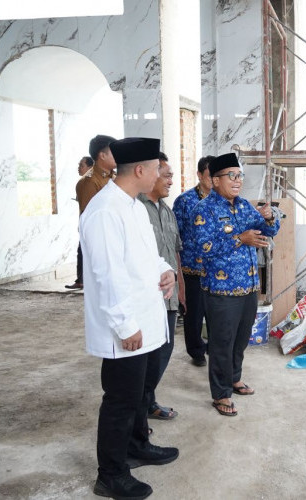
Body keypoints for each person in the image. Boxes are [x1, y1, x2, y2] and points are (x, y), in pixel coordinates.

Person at [80, 137, 178, 500]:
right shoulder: (106, 210)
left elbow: (144, 256)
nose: (160, 174)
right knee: (120, 400)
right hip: (126, 326)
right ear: (140, 170)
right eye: (156, 167)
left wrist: (165, 269)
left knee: (140, 393)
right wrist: (125, 325)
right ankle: (111, 474)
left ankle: (138, 446)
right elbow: (107, 275)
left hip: (145, 318)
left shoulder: (133, 206)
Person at [191, 152, 280, 417]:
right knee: (221, 343)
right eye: (231, 175)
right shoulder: (203, 210)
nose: (237, 180)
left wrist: (268, 218)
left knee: (241, 340)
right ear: (214, 180)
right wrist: (240, 239)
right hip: (221, 291)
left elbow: (267, 232)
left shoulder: (243, 206)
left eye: (240, 175)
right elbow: (203, 248)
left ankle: (234, 377)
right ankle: (220, 394)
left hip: (249, 287)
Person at [137, 152, 183, 421]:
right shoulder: (137, 209)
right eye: (165, 175)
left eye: (171, 177)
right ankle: (139, 412)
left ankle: (148, 401)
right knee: (145, 358)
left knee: (162, 354)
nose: (169, 182)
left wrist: (182, 292)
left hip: (170, 296)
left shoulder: (167, 211)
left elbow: (175, 254)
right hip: (148, 297)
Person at [172, 155, 214, 366]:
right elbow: (174, 236)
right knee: (194, 314)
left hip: (216, 269)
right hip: (192, 269)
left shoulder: (221, 200)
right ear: (199, 175)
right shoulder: (185, 201)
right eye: (209, 176)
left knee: (216, 313)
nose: (213, 181)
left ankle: (214, 348)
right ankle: (196, 351)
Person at [66, 136, 116, 290]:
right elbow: (92, 219)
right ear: (102, 155)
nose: (118, 155)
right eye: (114, 152)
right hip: (102, 240)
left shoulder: (114, 177)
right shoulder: (89, 181)